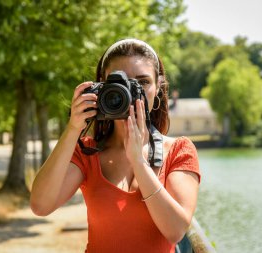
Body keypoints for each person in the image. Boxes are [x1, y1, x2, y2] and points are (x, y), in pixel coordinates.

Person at [30, 38, 201, 253]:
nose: (130, 93)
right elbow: (40, 205)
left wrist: (139, 162)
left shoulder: (178, 151)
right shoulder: (86, 152)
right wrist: (73, 129)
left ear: (158, 87)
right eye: (121, 83)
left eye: (143, 82)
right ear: (102, 86)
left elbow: (175, 230)